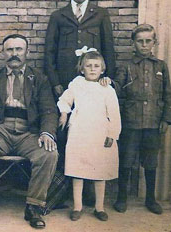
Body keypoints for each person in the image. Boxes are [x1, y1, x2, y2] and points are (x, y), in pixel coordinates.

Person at [44, 0, 116, 207]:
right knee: (67, 138)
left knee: (91, 139)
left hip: (94, 89)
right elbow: (49, 54)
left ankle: (88, 195)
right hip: (66, 87)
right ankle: (63, 191)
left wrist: (108, 79)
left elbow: (109, 50)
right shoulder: (59, 16)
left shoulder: (100, 15)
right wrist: (55, 84)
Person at [0, 34, 58, 229]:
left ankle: (34, 206)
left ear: (27, 52)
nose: (14, 54)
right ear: (3, 53)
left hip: (29, 132)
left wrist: (46, 133)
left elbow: (49, 110)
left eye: (19, 49)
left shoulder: (39, 78)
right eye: (9, 50)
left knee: (48, 154)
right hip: (1, 130)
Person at [113, 24, 171, 215]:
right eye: (140, 41)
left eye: (148, 41)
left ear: (154, 42)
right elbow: (117, 89)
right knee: (126, 160)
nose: (144, 45)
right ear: (133, 43)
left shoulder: (161, 66)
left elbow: (168, 95)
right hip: (131, 122)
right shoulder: (126, 66)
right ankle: (121, 198)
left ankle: (150, 199)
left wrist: (166, 119)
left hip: (153, 123)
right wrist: (106, 82)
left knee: (150, 161)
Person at [57, 50, 121, 221]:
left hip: (100, 132)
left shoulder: (107, 89)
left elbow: (114, 113)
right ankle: (77, 206)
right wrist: (64, 113)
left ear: (102, 69)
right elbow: (65, 100)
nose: (92, 69)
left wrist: (113, 133)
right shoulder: (76, 84)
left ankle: (99, 207)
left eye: (96, 66)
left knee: (99, 170)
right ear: (82, 69)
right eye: (88, 66)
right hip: (79, 132)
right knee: (78, 168)